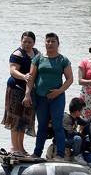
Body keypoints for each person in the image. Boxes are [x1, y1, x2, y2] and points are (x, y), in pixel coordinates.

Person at [23, 33, 73, 161]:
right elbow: (31, 78)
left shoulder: (63, 60)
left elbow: (70, 79)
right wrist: (27, 94)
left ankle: (60, 154)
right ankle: (37, 153)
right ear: (45, 43)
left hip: (57, 98)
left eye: (53, 41)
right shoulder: (38, 58)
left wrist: (59, 91)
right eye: (48, 41)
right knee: (42, 126)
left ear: (58, 43)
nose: (50, 44)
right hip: (40, 97)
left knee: (57, 125)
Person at [1, 31, 39, 155]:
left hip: (29, 90)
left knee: (24, 119)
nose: (27, 44)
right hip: (16, 88)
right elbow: (13, 70)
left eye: (29, 42)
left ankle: (21, 147)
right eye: (24, 41)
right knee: (15, 118)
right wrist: (24, 76)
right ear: (21, 41)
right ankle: (14, 147)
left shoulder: (37, 54)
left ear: (34, 43)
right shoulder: (17, 54)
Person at [63, 97, 89, 163]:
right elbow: (70, 133)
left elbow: (86, 123)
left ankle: (81, 154)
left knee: (86, 138)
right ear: (77, 111)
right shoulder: (66, 118)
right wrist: (81, 135)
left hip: (71, 139)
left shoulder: (76, 118)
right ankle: (76, 156)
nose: (83, 112)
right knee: (78, 138)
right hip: (64, 140)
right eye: (82, 110)